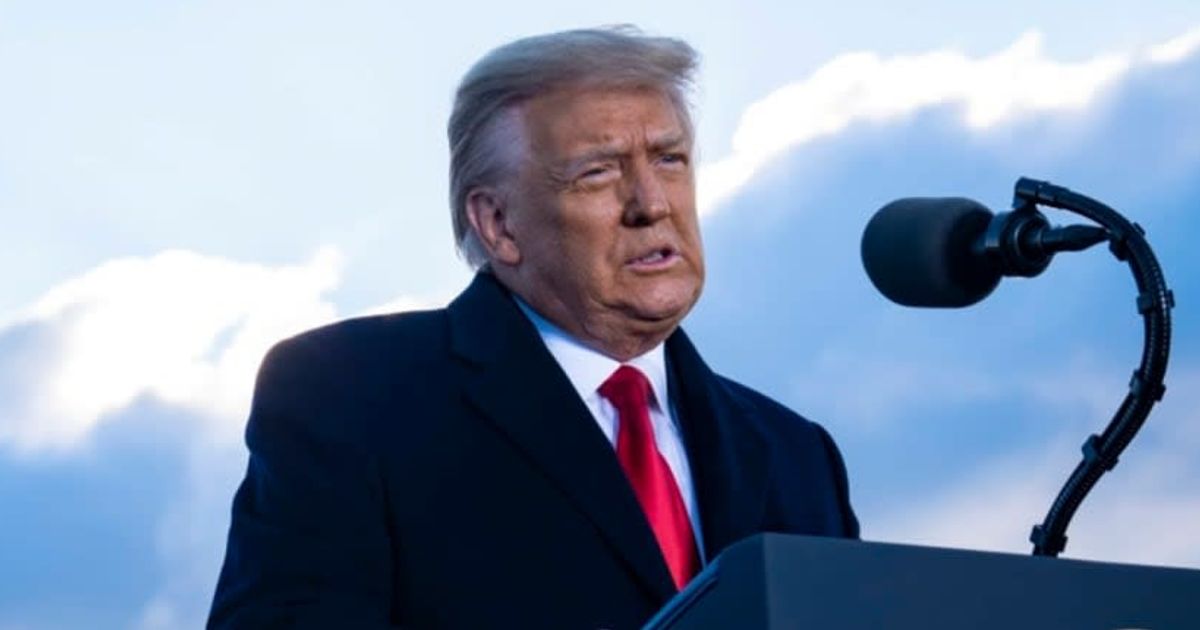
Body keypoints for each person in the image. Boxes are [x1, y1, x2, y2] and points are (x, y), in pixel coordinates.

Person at [209, 26, 858, 629]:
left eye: (669, 159)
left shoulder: (797, 454)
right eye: (598, 172)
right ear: (499, 225)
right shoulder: (352, 396)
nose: (651, 204)